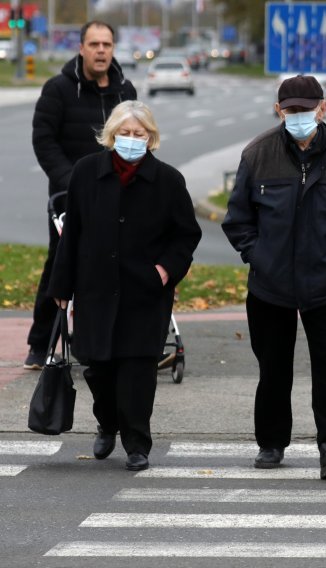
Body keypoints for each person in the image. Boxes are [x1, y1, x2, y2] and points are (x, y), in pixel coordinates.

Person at [222, 75, 326, 480]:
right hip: (270, 285)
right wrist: (258, 256)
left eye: (306, 110)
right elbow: (237, 218)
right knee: (273, 367)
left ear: (323, 109)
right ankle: (271, 443)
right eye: (291, 110)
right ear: (279, 111)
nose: (299, 117)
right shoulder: (258, 154)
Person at [47, 101, 202, 471]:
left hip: (144, 291)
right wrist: (61, 285)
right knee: (97, 367)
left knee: (137, 370)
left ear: (151, 138)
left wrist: (164, 272)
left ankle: (137, 443)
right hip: (95, 288)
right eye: (124, 134)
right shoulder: (86, 173)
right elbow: (72, 236)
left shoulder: (167, 180)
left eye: (139, 134)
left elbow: (186, 236)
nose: (131, 140)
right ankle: (107, 422)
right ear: (111, 136)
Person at [25, 20, 137, 370]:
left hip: (119, 195)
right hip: (69, 197)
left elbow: (137, 136)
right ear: (81, 49)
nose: (101, 50)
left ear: (113, 49)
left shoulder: (125, 91)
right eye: (94, 44)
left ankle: (115, 341)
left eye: (107, 44)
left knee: (120, 265)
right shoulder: (58, 90)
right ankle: (40, 342)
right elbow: (44, 141)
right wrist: (71, 181)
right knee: (60, 266)